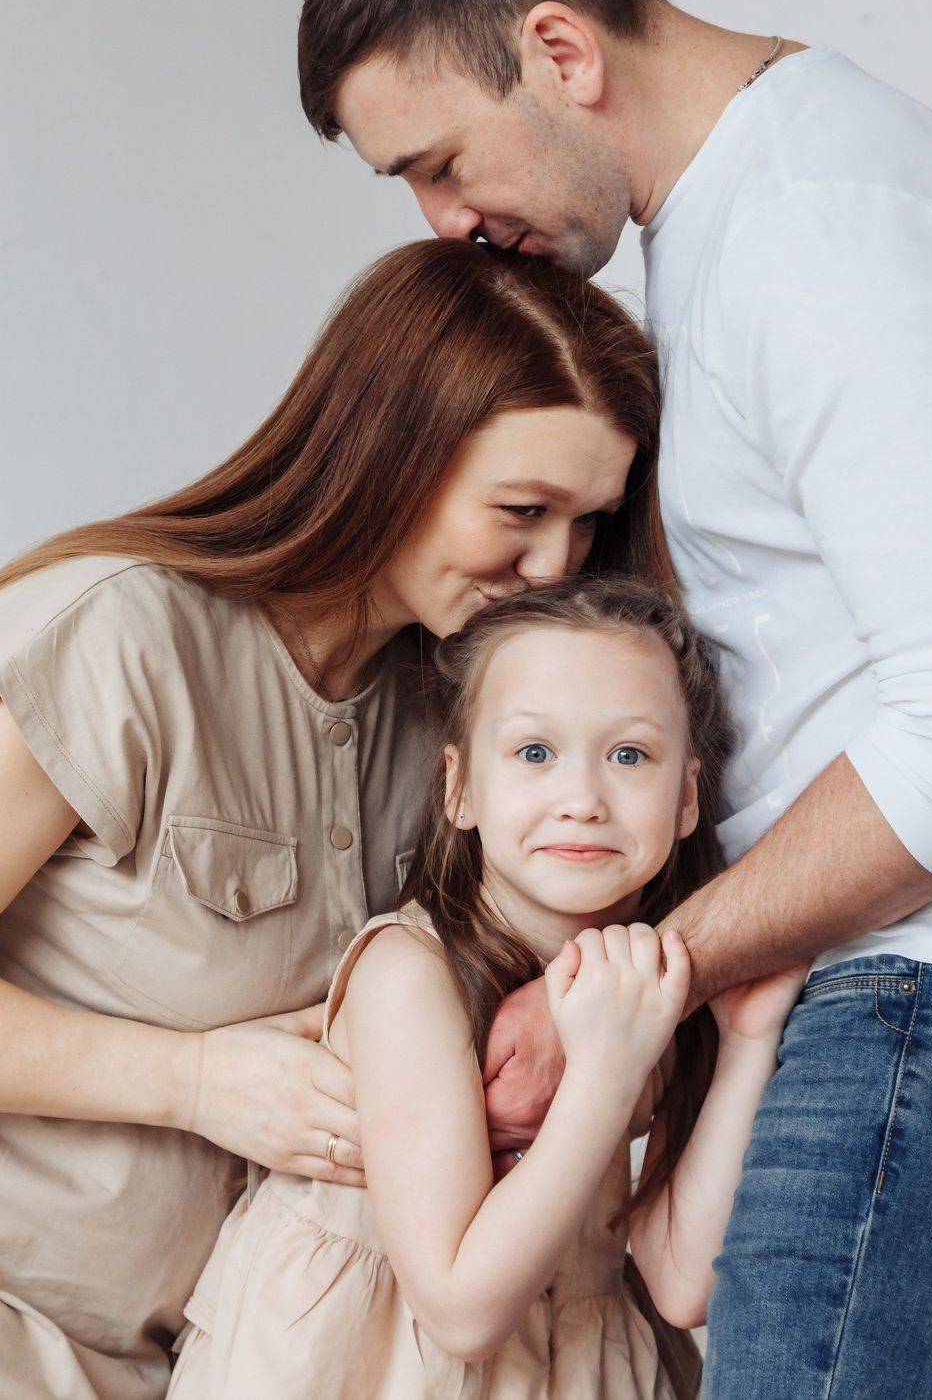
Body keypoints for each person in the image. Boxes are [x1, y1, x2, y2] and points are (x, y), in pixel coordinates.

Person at [297, 0, 932, 1395]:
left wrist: (633, 990)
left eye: (440, 160)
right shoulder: (739, 218)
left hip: (924, 995)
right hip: (872, 991)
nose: (440, 219)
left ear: (561, 50)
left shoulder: (815, 226)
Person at [0, 238, 666, 1400]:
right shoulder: (116, 638)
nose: (554, 564)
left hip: (213, 1361)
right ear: (390, 458)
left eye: (586, 523)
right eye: (521, 509)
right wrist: (190, 1082)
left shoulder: (459, 721)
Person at [167, 577, 805, 1400]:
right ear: (459, 788)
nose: (582, 801)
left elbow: (683, 1283)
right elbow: (461, 1312)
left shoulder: (646, 983)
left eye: (629, 755)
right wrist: (606, 1070)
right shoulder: (408, 973)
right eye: (535, 753)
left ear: (685, 798)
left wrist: (747, 1040)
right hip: (356, 1371)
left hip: (569, 1367)